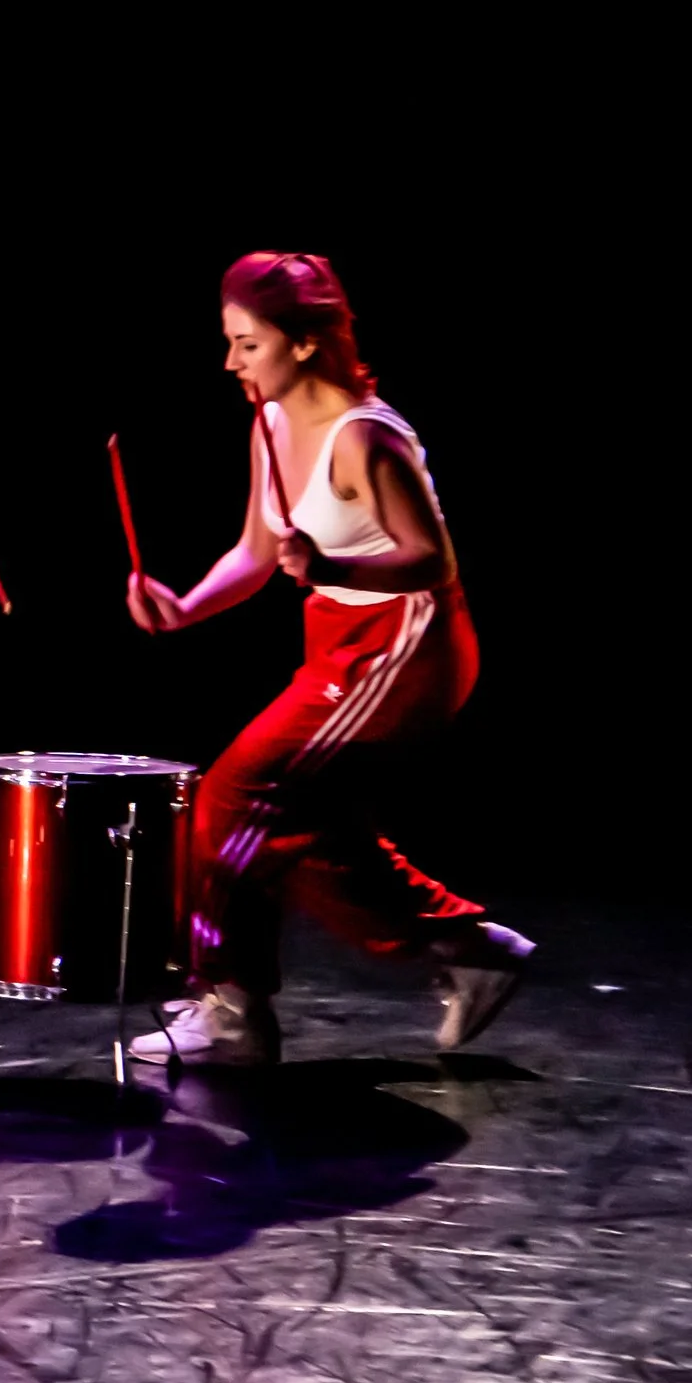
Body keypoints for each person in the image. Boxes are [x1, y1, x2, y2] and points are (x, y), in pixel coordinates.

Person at [124, 252, 531, 1067]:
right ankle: (472, 948)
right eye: (230, 341)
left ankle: (233, 1006)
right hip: (343, 638)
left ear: (304, 344)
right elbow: (256, 550)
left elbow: (432, 561)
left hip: (404, 645)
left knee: (234, 795)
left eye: (248, 343)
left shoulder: (365, 439)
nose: (231, 361)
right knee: (304, 831)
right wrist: (186, 605)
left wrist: (336, 567)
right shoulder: (269, 421)